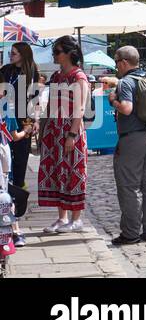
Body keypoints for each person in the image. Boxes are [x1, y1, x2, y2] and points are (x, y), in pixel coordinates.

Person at [107, 47, 146, 246]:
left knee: (129, 186)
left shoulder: (126, 82)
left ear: (123, 62)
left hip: (132, 137)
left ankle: (130, 233)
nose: (116, 67)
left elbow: (127, 108)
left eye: (116, 63)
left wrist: (113, 100)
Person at [37, 36, 91, 235]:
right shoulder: (57, 76)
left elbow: (80, 108)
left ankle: (76, 219)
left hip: (70, 130)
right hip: (54, 130)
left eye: (57, 51)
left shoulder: (79, 77)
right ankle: (62, 217)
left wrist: (72, 135)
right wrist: (43, 129)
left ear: (69, 53)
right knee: (57, 173)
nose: (54, 55)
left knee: (73, 172)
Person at [1, 42, 39, 246]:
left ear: (23, 55)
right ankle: (13, 221)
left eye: (13, 53)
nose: (10, 55)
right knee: (8, 174)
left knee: (19, 170)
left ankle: (15, 206)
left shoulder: (31, 71)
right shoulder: (4, 71)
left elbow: (34, 102)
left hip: (22, 124)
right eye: (10, 52)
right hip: (6, 121)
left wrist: (31, 124)